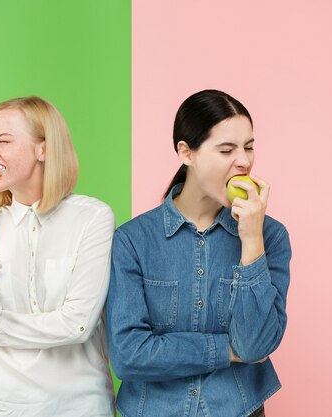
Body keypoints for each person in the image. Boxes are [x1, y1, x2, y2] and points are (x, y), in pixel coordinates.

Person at [105, 89, 292, 417]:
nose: (244, 161)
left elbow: (254, 346)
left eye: (249, 147)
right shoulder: (133, 241)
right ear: (186, 152)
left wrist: (251, 243)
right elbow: (128, 354)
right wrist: (225, 350)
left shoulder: (270, 236)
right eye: (226, 150)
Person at [0, 96, 115, 417]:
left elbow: (77, 326)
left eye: (5, 141)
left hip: (79, 406)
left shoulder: (92, 218)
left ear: (43, 149)